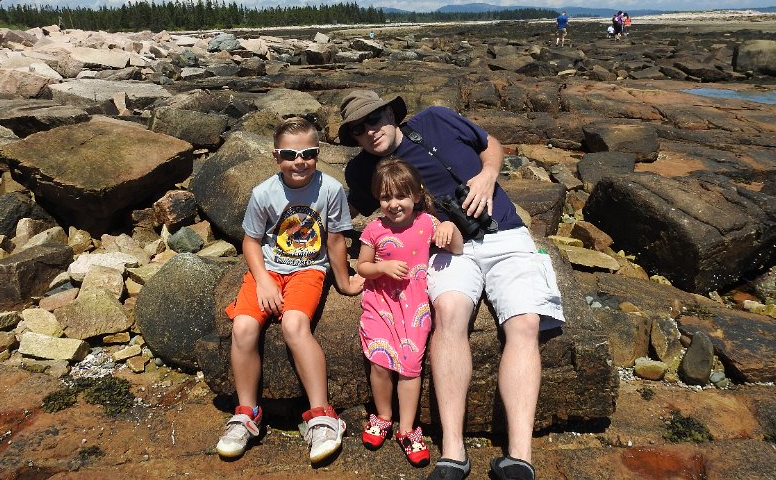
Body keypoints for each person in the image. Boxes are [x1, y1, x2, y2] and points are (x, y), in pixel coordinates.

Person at [338, 91, 565, 480]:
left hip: (504, 233)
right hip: (444, 249)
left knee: (525, 322)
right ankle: (454, 453)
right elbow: (348, 210)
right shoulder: (362, 170)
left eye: (373, 119)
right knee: (447, 313)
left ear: (390, 112)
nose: (369, 131)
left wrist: (488, 175)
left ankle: (519, 458)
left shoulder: (436, 119)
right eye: (358, 130)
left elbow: (490, 144)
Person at [216, 117, 364, 464]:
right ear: (276, 156)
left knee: (294, 325)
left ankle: (322, 415)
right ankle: (247, 413)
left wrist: (343, 282)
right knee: (243, 327)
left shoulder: (330, 190)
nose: (300, 161)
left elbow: (336, 240)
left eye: (308, 153)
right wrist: (264, 280)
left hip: (308, 270)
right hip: (269, 270)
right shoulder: (263, 193)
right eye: (289, 154)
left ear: (318, 153)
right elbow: (251, 241)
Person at [357, 157, 464, 468]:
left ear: (417, 195)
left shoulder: (428, 223)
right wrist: (382, 267)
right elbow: (362, 266)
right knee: (380, 362)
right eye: (385, 197)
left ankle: (407, 428)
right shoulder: (374, 229)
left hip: (415, 306)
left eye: (401, 196)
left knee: (410, 366)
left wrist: (450, 226)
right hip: (380, 303)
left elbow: (457, 248)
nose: (393, 204)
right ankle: (383, 416)